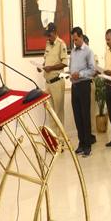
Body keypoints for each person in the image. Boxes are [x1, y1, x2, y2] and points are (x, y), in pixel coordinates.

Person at [69, 27, 96, 157]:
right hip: (74, 86)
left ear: (81, 37)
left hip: (84, 85)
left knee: (85, 116)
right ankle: (81, 143)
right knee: (77, 116)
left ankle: (87, 145)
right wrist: (70, 74)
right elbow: (71, 67)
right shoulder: (73, 52)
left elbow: (92, 70)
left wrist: (79, 74)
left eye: (76, 39)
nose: (74, 42)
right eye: (73, 40)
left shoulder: (88, 51)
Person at [39, 23, 68, 131]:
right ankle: (53, 137)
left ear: (55, 32)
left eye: (49, 34)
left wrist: (50, 68)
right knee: (50, 112)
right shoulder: (48, 44)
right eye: (47, 35)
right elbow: (46, 60)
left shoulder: (61, 44)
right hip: (48, 83)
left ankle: (61, 137)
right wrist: (42, 66)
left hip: (57, 82)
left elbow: (64, 63)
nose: (48, 37)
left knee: (58, 112)